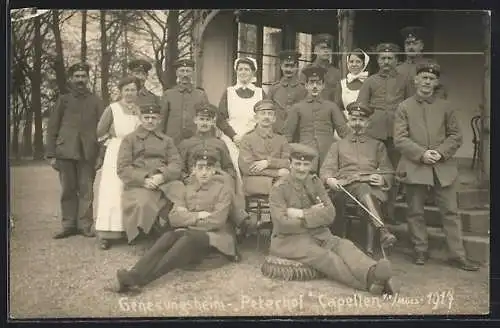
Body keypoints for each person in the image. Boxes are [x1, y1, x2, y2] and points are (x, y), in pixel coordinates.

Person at [269, 143, 397, 295]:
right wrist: (314, 214)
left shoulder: (315, 183)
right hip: (289, 240)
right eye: (297, 164)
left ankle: (372, 270)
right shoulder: (279, 188)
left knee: (345, 245)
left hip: (320, 234)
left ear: (311, 165)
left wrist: (301, 213)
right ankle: (370, 282)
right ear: (290, 164)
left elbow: (330, 214)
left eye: (306, 164)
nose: (302, 169)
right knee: (326, 257)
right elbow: (282, 223)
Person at [112, 149, 236, 294]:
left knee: (188, 237)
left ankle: (141, 280)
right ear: (193, 170)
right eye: (200, 168)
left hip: (216, 238)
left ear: (214, 171)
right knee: (168, 236)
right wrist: (197, 216)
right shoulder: (186, 189)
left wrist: (187, 218)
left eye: (208, 168)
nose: (204, 173)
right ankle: (134, 273)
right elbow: (174, 218)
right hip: (189, 234)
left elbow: (217, 221)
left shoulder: (224, 190)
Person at [393, 61, 479, 271]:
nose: (427, 82)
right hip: (415, 165)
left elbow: (456, 136)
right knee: (415, 211)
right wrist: (422, 154)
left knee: (450, 211)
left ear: (436, 82)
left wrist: (440, 153)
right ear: (415, 80)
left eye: (431, 79)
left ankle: (457, 256)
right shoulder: (404, 107)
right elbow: (400, 138)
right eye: (423, 77)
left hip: (443, 167)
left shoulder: (445, 106)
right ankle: (420, 250)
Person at [320, 102, 397, 256]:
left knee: (365, 189)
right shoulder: (338, 146)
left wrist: (382, 179)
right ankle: (381, 231)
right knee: (363, 189)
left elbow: (388, 170)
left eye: (361, 120)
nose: (357, 123)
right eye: (354, 119)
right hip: (345, 188)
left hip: (371, 187)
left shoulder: (377, 146)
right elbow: (326, 170)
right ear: (349, 121)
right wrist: (330, 180)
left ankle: (371, 244)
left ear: (368, 123)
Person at [46, 62, 104, 239]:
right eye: (77, 76)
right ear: (71, 79)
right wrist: (51, 154)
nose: (80, 80)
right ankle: (68, 225)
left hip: (88, 153)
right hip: (66, 152)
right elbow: (52, 128)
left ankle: (85, 225)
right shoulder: (63, 100)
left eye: (83, 76)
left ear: (88, 78)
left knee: (87, 190)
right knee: (68, 190)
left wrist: (101, 155)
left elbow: (103, 131)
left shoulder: (96, 101)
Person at [356, 42, 412, 220]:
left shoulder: (405, 81)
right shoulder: (371, 81)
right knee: (371, 170)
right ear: (378, 61)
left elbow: (411, 106)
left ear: (396, 60)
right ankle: (370, 210)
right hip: (374, 132)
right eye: (383, 58)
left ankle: (390, 212)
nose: (386, 62)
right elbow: (361, 107)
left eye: (390, 58)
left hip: (397, 133)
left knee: (392, 173)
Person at [117, 103, 182, 244]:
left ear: (159, 120)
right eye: (146, 117)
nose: (150, 121)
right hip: (140, 183)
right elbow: (123, 168)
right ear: (140, 118)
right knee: (144, 202)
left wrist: (162, 176)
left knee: (182, 194)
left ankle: (178, 232)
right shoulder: (130, 139)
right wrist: (144, 179)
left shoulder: (167, 140)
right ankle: (146, 235)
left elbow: (176, 164)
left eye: (154, 117)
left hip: (164, 181)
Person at [177, 103, 249, 230]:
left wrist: (229, 176)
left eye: (208, 120)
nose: (204, 123)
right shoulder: (186, 144)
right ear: (195, 120)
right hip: (195, 178)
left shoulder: (219, 143)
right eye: (201, 119)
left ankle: (228, 222)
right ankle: (240, 219)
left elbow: (229, 167)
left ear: (213, 122)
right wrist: (187, 178)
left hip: (218, 178)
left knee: (225, 181)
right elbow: (180, 168)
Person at [94, 76, 142, 250]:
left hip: (133, 152)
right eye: (127, 89)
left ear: (137, 92)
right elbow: (100, 132)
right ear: (121, 91)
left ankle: (127, 230)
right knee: (112, 189)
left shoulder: (138, 110)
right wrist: (113, 144)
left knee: (128, 189)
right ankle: (106, 233)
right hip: (116, 151)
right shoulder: (112, 109)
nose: (130, 93)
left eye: (133, 90)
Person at [283, 66, 350, 173]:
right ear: (306, 85)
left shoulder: (331, 106)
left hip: (328, 154)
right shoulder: (297, 107)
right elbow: (287, 135)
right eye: (311, 83)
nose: (315, 86)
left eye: (318, 83)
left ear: (323, 86)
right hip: (305, 155)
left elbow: (344, 132)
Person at [217, 57, 266, 200]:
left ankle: (250, 205)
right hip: (232, 140)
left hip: (254, 139)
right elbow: (220, 118)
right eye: (240, 69)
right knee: (233, 171)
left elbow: (265, 117)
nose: (243, 72)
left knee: (251, 171)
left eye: (247, 69)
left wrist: (250, 137)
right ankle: (235, 206)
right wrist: (234, 136)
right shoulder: (229, 92)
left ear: (253, 72)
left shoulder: (260, 93)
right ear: (236, 71)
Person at [238, 99, 291, 229]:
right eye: (263, 113)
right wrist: (276, 172)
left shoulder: (281, 139)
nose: (266, 117)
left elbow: (287, 162)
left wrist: (268, 162)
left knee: (287, 183)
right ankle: (280, 225)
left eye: (270, 114)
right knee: (284, 183)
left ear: (274, 118)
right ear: (256, 117)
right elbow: (247, 167)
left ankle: (280, 224)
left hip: (277, 180)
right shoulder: (247, 139)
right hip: (254, 181)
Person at [160, 59, 209, 145]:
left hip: (195, 141)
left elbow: (207, 119)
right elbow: (162, 121)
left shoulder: (201, 95)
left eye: (188, 71)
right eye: (182, 71)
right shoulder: (168, 94)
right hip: (172, 141)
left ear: (193, 73)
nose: (185, 74)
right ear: (176, 73)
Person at [396, 26, 447, 99]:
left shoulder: (431, 65)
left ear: (421, 46)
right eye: (408, 44)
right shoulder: (398, 69)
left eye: (414, 44)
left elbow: (441, 90)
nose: (411, 47)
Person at [266, 50, 307, 134]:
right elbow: (268, 111)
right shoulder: (274, 88)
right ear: (281, 66)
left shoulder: (303, 89)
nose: (289, 69)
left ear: (296, 67)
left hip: (297, 133)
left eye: (292, 66)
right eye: (286, 65)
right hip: (277, 133)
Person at [300, 33, 341, 102]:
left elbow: (338, 99)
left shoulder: (337, 73)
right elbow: (301, 95)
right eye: (322, 48)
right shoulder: (306, 70)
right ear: (315, 51)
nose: (326, 51)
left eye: (329, 48)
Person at [334, 48, 370, 117]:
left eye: (358, 62)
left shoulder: (369, 82)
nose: (354, 64)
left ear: (364, 63)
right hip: (345, 123)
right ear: (348, 63)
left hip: (365, 122)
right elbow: (337, 108)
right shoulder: (342, 84)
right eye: (351, 61)